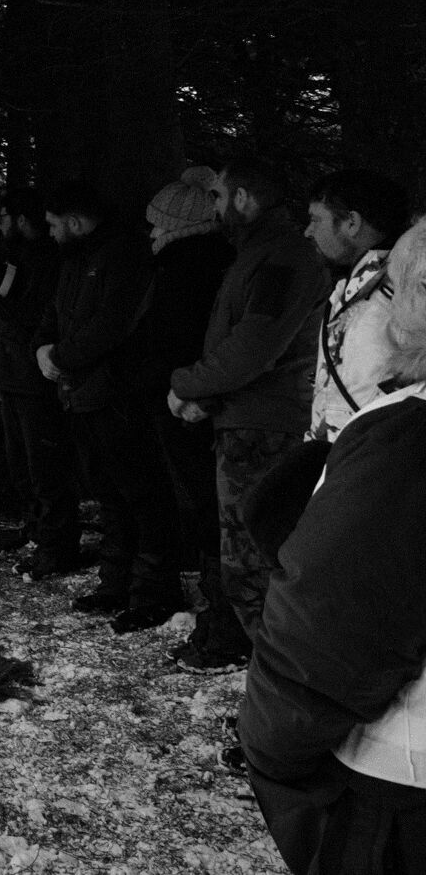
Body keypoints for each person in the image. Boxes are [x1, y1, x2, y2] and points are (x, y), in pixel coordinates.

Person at [239, 217, 426, 873]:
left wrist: (271, 746)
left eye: (396, 289)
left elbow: (329, 626)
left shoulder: (407, 441)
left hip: (401, 785)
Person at [168, 160, 329, 671]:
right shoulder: (259, 254)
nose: (213, 208)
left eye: (218, 197)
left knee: (254, 562)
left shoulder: (283, 257)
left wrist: (188, 384)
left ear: (243, 199)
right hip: (245, 419)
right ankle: (266, 671)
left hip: (264, 428)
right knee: (243, 560)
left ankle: (283, 680)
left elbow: (254, 347)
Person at [34, 181, 178, 632]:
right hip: (82, 393)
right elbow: (57, 311)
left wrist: (61, 356)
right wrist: (43, 347)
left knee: (140, 492)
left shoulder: (124, 257)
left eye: (54, 224)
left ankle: (152, 591)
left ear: (76, 222)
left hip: (119, 395)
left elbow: (111, 326)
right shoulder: (76, 258)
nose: (50, 233)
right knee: (109, 493)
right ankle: (115, 581)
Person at [128, 169, 237, 650]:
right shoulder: (194, 264)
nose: (150, 232)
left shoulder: (186, 269)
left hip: (184, 401)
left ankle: (219, 609)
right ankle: (212, 600)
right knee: (199, 498)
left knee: (201, 499)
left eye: (157, 222)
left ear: (177, 224)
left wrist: (182, 389)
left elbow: (180, 338)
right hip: (181, 395)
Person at [0, 187, 66, 566]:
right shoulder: (14, 255)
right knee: (19, 461)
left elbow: (30, 314)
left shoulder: (46, 259)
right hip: (9, 371)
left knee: (43, 464)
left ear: (21, 219)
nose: (1, 224)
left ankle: (55, 541)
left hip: (30, 373)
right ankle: (37, 531)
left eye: (6, 218)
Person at [305, 169, 411, 441]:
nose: (308, 231)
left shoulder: (406, 289)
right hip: (350, 456)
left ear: (352, 222)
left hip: (379, 456)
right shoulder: (355, 289)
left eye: (316, 220)